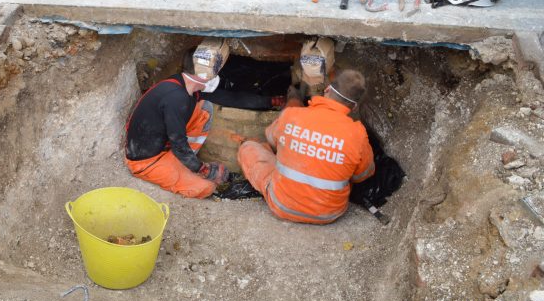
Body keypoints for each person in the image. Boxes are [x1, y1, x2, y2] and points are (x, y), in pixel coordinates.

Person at [236, 69, 375, 224]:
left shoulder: (292, 115)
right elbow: (363, 175)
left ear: (327, 90)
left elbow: (271, 139)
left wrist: (293, 108)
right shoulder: (358, 134)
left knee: (248, 148)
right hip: (329, 213)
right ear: (354, 107)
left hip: (282, 205)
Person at [125, 51, 229, 199]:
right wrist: (203, 170)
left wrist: (268, 102)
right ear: (201, 75)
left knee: (204, 108)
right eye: (213, 72)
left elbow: (227, 97)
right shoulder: (176, 98)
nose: (215, 76)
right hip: (148, 161)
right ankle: (186, 163)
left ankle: (188, 158)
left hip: (163, 144)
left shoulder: (181, 83)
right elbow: (178, 144)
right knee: (207, 187)